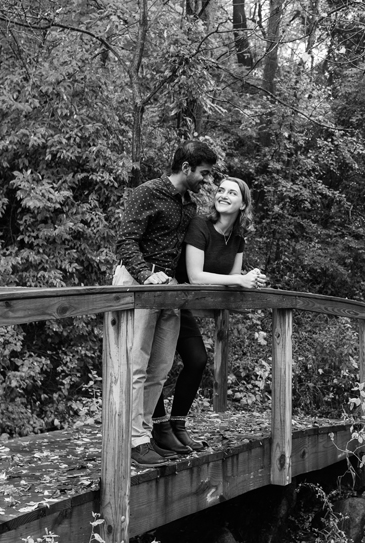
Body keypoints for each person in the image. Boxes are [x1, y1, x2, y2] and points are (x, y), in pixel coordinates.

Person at [113, 140, 217, 468]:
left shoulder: (189, 205)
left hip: (168, 289)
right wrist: (146, 276)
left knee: (160, 367)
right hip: (139, 284)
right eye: (204, 173)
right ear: (186, 168)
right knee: (135, 365)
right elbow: (125, 241)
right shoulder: (147, 192)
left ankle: (145, 436)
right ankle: (131, 442)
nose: (207, 179)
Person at [151, 177, 267, 454]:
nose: (223, 195)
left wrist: (251, 280)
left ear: (243, 204)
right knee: (155, 365)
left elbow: (232, 277)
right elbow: (194, 276)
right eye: (221, 190)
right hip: (168, 298)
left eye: (232, 193)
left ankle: (178, 426)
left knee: (197, 359)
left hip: (184, 306)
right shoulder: (200, 225)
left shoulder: (238, 237)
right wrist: (239, 281)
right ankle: (159, 427)